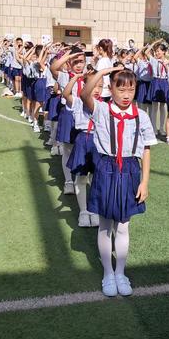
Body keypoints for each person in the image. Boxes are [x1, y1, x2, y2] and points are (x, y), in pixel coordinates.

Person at [81, 65, 157, 297]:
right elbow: (85, 94)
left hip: (130, 171)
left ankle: (121, 272)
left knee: (123, 226)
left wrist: (144, 182)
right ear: (110, 89)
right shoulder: (102, 110)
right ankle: (108, 273)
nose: (126, 94)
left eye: (131, 89)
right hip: (106, 168)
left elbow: (145, 151)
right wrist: (104, 72)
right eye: (120, 88)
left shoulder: (141, 115)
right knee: (105, 225)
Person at [63, 67, 101, 227]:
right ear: (84, 86)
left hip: (99, 142)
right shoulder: (78, 101)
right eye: (94, 86)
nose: (97, 90)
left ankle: (94, 210)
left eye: (101, 86)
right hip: (83, 139)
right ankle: (83, 211)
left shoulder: (103, 104)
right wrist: (76, 77)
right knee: (81, 177)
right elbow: (65, 94)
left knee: (96, 178)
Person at [51, 49, 86, 195]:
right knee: (67, 148)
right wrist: (69, 55)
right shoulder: (65, 76)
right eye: (75, 62)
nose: (78, 65)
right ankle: (68, 181)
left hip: (84, 115)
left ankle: (81, 176)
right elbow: (53, 67)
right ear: (69, 63)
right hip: (68, 114)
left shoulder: (87, 77)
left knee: (83, 147)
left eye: (81, 61)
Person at [145, 40, 169, 136]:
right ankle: (154, 128)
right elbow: (146, 52)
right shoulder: (153, 60)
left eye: (159, 51)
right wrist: (154, 42)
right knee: (154, 107)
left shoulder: (168, 61)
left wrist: (166, 64)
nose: (157, 53)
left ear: (164, 52)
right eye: (156, 51)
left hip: (164, 82)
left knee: (163, 107)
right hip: (155, 82)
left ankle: (161, 128)